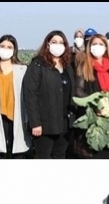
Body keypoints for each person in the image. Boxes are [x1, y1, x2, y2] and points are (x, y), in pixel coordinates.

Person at [22, 30, 75, 159]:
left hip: (65, 122)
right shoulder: (38, 64)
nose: (58, 45)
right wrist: (35, 123)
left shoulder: (67, 66)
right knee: (43, 156)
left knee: (60, 154)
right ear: (47, 44)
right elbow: (30, 95)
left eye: (61, 42)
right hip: (45, 124)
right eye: (54, 42)